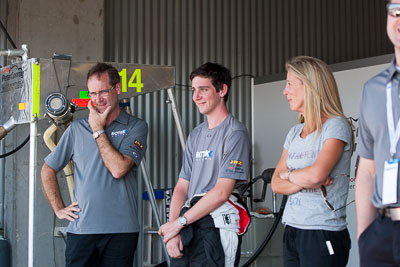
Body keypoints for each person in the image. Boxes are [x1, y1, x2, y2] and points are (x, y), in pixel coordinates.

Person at [41, 63, 148, 267]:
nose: (97, 99)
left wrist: (98, 130)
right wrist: (59, 208)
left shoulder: (136, 126)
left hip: (121, 231)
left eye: (103, 92)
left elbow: (118, 169)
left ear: (117, 89)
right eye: (92, 93)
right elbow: (48, 169)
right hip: (82, 231)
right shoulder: (77, 129)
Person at [158, 62, 251, 266]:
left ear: (222, 90)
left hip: (216, 225)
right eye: (193, 90)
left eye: (203, 89)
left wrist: (179, 223)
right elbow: (182, 186)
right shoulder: (196, 134)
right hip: (190, 224)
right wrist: (173, 230)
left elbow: (221, 192)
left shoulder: (235, 133)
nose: (195, 96)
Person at [271, 56, 353, 267]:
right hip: (292, 229)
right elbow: (275, 184)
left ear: (309, 85)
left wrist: (289, 175)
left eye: (289, 83)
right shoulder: (294, 132)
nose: (285, 91)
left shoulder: (336, 126)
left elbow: (316, 175)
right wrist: (305, 178)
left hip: (322, 230)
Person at [355, 1, 400, 266]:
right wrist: (364, 235)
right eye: (395, 11)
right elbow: (368, 169)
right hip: (381, 234)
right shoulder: (373, 89)